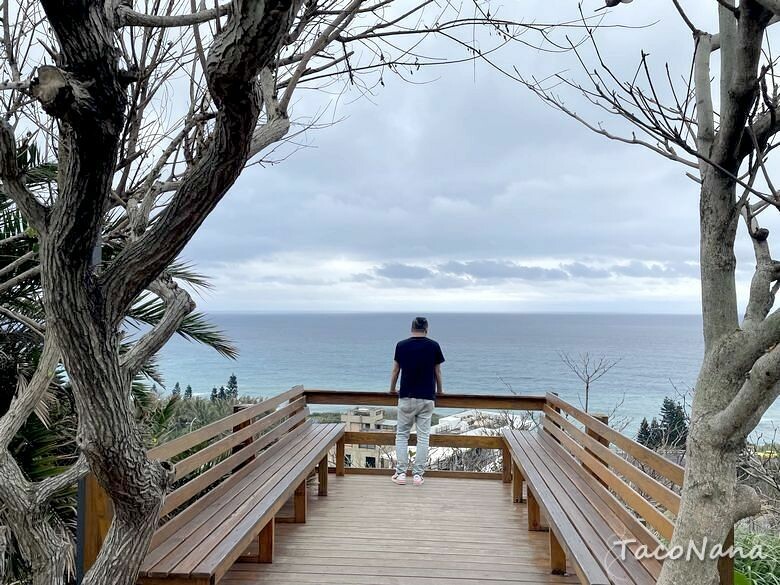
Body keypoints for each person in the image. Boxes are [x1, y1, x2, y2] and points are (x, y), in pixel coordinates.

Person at [389, 316, 444, 486]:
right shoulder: (434, 346)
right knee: (423, 437)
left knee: (402, 436)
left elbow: (395, 370)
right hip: (427, 397)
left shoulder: (401, 345)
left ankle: (401, 474)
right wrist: (440, 391)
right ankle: (418, 476)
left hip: (406, 396)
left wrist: (391, 389)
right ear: (426, 328)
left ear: (411, 328)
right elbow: (438, 372)